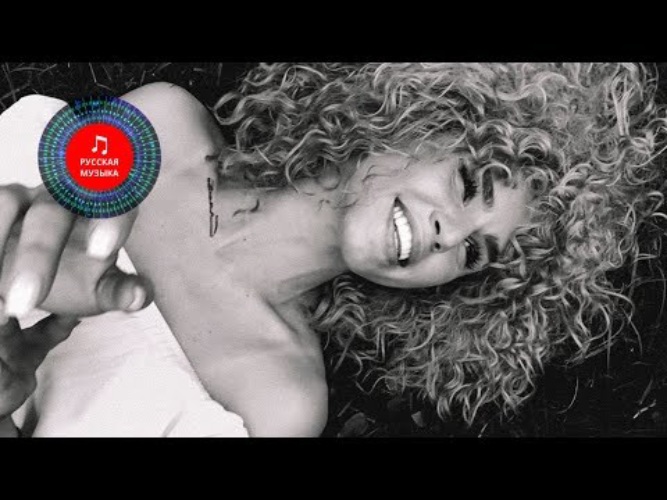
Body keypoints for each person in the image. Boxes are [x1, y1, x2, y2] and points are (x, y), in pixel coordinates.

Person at [1, 63, 665, 437]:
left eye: (475, 254)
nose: (449, 235)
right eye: (467, 185)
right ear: (422, 116)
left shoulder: (276, 399)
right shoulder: (162, 125)